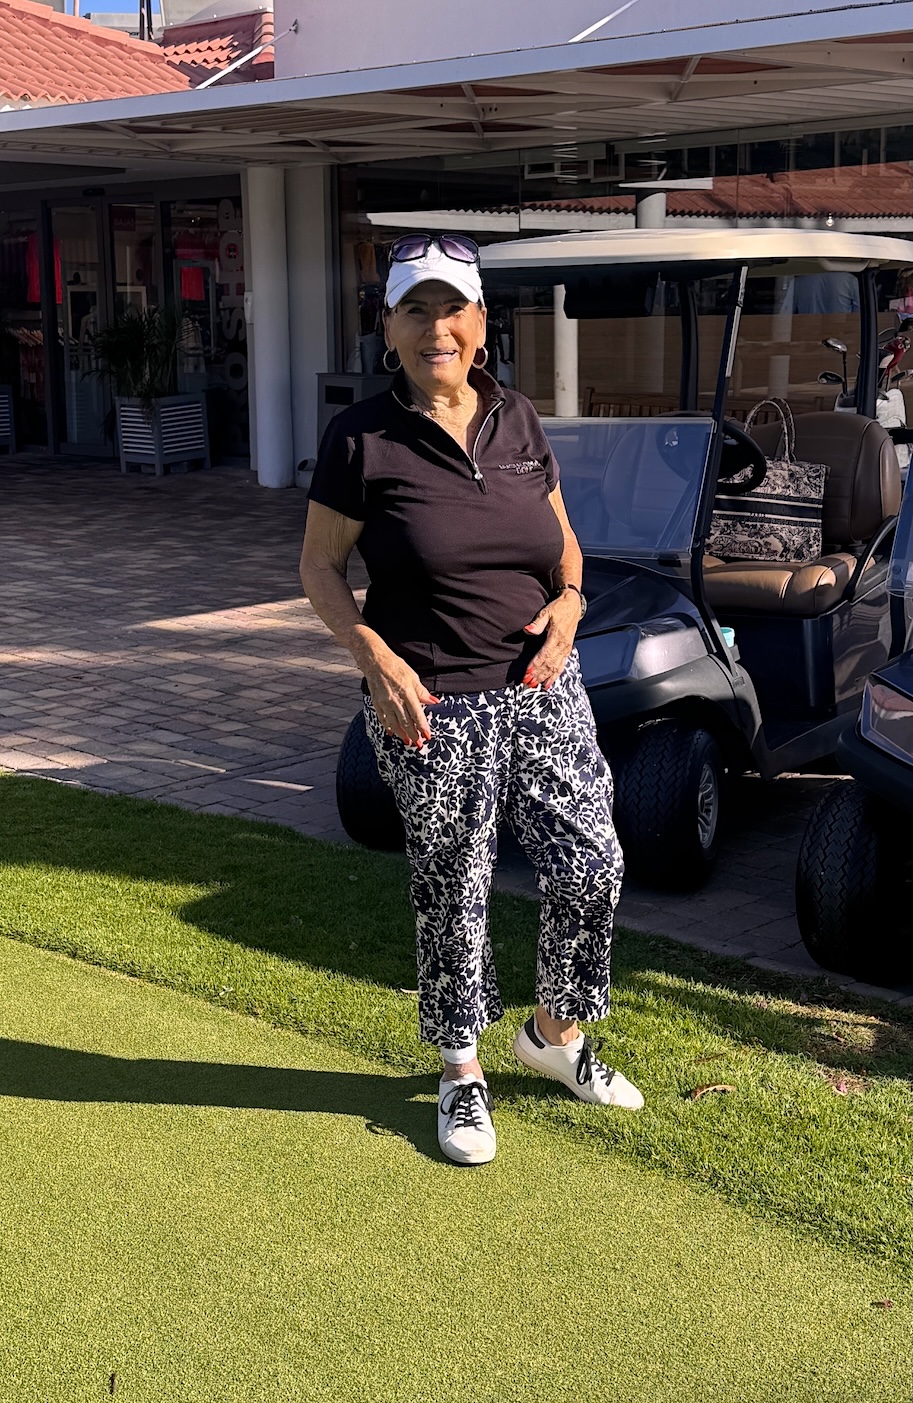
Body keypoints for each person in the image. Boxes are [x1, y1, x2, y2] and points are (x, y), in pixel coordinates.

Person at [299, 232, 643, 1167]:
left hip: (543, 686)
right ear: (388, 329)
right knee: (454, 888)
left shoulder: (518, 418)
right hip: (432, 702)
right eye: (414, 310)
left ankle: (555, 1036)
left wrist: (571, 604)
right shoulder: (360, 437)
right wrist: (372, 654)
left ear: (481, 322)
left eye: (452, 309)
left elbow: (562, 545)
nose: (436, 329)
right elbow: (320, 567)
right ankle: (461, 1071)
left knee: (591, 863)